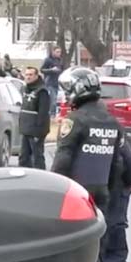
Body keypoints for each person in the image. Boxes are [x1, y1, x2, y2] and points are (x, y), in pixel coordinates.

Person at [51, 66, 124, 213]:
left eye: (68, 89)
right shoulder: (113, 122)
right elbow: (116, 163)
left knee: (73, 234)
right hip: (102, 191)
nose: (66, 94)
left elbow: (63, 158)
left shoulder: (75, 119)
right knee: (100, 233)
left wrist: (54, 189)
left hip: (77, 191)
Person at [94, 119, 131, 262]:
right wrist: (129, 182)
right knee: (113, 235)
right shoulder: (113, 129)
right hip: (117, 189)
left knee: (101, 238)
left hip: (94, 191)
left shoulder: (79, 127)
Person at [18, 66, 51, 169]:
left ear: (36, 76)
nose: (28, 77)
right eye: (26, 75)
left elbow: (43, 113)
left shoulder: (42, 91)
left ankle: (41, 179)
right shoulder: (24, 89)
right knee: (24, 157)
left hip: (36, 130)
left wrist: (39, 132)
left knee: (37, 156)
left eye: (31, 75)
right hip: (26, 129)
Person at [40, 47, 64, 117]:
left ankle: (52, 115)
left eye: (60, 52)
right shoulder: (48, 60)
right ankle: (51, 116)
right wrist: (51, 70)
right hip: (49, 83)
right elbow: (42, 70)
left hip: (57, 83)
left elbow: (62, 69)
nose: (59, 53)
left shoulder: (60, 60)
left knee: (56, 101)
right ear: (53, 52)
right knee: (53, 101)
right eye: (57, 52)